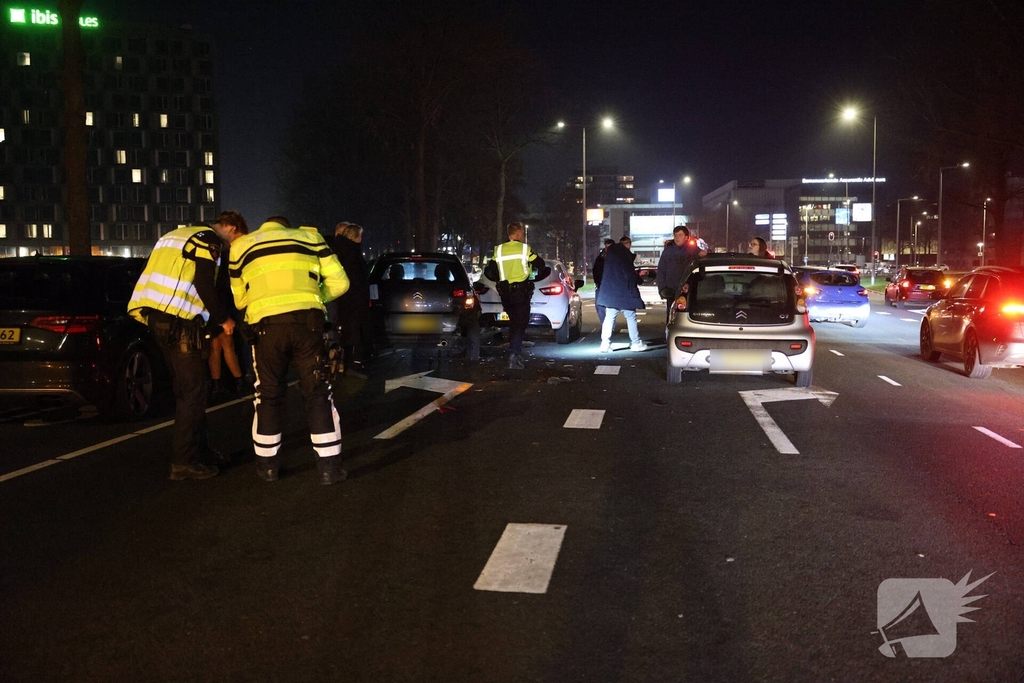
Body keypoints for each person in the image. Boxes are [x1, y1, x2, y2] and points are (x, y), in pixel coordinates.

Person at [215, 214, 351, 485]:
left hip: (266, 329)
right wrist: (314, 297)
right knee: (317, 393)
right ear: (287, 227)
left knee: (267, 394)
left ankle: (267, 468)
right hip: (307, 326)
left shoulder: (242, 246)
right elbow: (341, 283)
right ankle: (329, 470)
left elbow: (240, 299)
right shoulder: (311, 238)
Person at [128, 224, 235, 481]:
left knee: (187, 389)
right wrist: (223, 319)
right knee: (193, 391)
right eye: (234, 240)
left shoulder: (173, 236)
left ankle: (200, 451)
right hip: (181, 322)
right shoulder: (207, 239)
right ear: (230, 228)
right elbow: (203, 282)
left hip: (157, 318)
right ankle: (184, 462)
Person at [489, 220, 545, 370]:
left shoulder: (499, 250)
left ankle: (515, 353)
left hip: (505, 293)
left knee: (514, 322)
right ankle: (513, 356)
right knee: (521, 323)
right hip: (521, 292)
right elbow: (541, 264)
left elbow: (490, 270)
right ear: (519, 232)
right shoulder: (524, 249)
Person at [328, 222, 371, 374]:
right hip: (349, 298)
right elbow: (355, 278)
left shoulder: (338, 250)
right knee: (351, 330)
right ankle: (351, 362)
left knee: (342, 330)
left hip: (340, 297)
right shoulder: (350, 252)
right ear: (357, 237)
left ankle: (340, 361)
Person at [208, 238, 246, 396]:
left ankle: (216, 384)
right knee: (227, 346)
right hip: (225, 307)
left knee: (215, 347)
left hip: (211, 308)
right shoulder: (228, 261)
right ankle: (239, 381)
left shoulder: (209, 263)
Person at [597, 236, 647, 352]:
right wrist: (639, 278)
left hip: (610, 293)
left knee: (609, 318)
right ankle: (635, 343)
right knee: (631, 317)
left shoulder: (610, 255)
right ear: (628, 244)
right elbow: (628, 274)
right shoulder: (624, 256)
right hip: (624, 293)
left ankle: (605, 344)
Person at [657, 225, 707, 321]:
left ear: (687, 237)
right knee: (672, 317)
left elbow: (701, 267)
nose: (677, 238)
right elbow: (661, 272)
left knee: (689, 316)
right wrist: (662, 289)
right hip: (671, 290)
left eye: (680, 235)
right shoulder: (667, 252)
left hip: (690, 290)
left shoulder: (692, 250)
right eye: (676, 235)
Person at [592, 238, 614, 327]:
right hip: (601, 284)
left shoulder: (616, 257)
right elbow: (595, 269)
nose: (607, 249)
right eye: (606, 247)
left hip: (612, 285)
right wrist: (597, 281)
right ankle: (605, 324)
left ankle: (610, 326)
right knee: (599, 305)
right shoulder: (600, 257)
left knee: (611, 307)